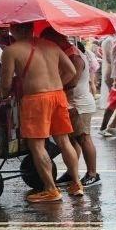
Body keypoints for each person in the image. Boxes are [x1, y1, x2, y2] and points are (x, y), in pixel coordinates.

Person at [0, 23, 82, 202]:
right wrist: (56, 85)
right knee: (64, 141)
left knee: (37, 145)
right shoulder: (51, 45)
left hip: (35, 99)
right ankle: (76, 184)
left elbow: (5, 84)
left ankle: (51, 189)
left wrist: (2, 94)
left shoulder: (11, 51)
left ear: (15, 30)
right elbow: (72, 71)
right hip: (58, 96)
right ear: (31, 28)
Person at [43, 30, 101, 189]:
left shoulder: (74, 56)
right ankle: (71, 172)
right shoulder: (68, 53)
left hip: (79, 104)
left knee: (84, 138)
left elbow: (72, 82)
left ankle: (92, 174)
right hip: (73, 103)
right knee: (72, 140)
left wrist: (51, 86)